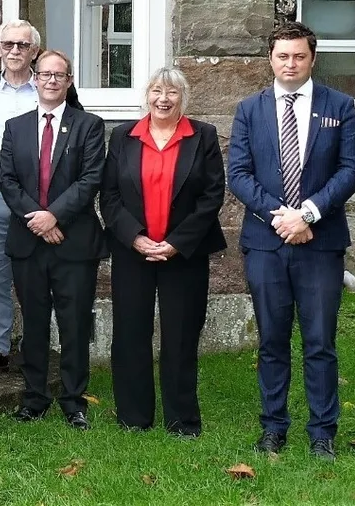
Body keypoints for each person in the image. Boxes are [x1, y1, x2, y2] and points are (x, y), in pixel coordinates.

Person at [228, 22, 355, 461]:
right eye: (283, 56)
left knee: (320, 341)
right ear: (271, 58)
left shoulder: (338, 106)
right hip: (266, 244)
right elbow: (239, 174)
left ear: (312, 59)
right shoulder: (250, 108)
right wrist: (280, 218)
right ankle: (273, 428)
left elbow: (350, 170)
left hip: (320, 243)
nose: (290, 63)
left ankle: (322, 432)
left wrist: (307, 214)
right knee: (271, 340)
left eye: (299, 56)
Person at [99, 68, 226, 437]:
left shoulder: (202, 135)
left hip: (183, 254)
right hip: (132, 252)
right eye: (157, 91)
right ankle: (133, 417)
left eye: (172, 92)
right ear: (147, 95)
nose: (163, 99)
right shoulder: (123, 136)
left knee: (181, 335)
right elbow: (109, 196)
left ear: (183, 98)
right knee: (130, 333)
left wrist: (176, 242)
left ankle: (181, 420)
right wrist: (135, 237)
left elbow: (212, 195)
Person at [0, 20, 83, 379]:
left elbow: (73, 139)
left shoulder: (50, 85)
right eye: (8, 44)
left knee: (41, 277)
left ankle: (38, 348)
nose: (15, 50)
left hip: (45, 203)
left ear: (35, 51)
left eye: (23, 45)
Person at [0, 50, 106, 431]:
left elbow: (91, 178)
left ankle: (74, 402)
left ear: (70, 80)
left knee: (74, 324)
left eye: (59, 75)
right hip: (29, 243)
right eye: (45, 74)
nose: (51, 81)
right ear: (34, 78)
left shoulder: (89, 125)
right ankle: (34, 398)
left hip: (73, 244)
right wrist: (39, 221)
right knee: (35, 323)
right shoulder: (15, 127)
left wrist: (54, 216)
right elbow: (7, 181)